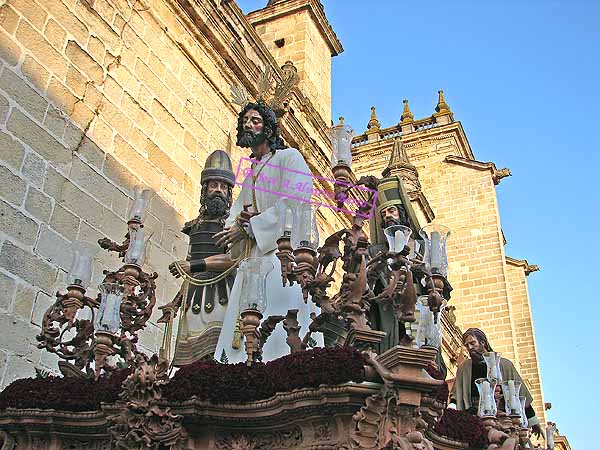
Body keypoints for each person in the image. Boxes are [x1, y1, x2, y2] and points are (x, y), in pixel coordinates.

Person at [213, 101, 322, 363]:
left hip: (281, 260)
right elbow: (237, 212)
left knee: (282, 332)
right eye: (246, 121)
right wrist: (236, 227)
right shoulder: (251, 173)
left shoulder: (289, 158)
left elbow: (295, 200)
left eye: (255, 121)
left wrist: (252, 226)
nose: (249, 125)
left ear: (269, 128)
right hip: (253, 262)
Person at [157, 150, 236, 365]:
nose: (218, 190)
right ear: (205, 189)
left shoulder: (233, 227)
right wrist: (174, 304)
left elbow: (234, 260)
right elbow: (187, 275)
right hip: (193, 300)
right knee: (191, 364)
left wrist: (194, 265)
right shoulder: (194, 227)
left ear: (229, 193)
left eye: (222, 186)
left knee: (217, 359)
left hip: (222, 297)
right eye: (213, 185)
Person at [449, 328, 542, 437]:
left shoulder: (504, 365)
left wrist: (533, 421)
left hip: (503, 418)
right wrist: (450, 411)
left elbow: (520, 395)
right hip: (473, 418)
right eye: (467, 345)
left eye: (472, 343)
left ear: (483, 342)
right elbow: (456, 396)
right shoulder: (464, 368)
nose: (470, 347)